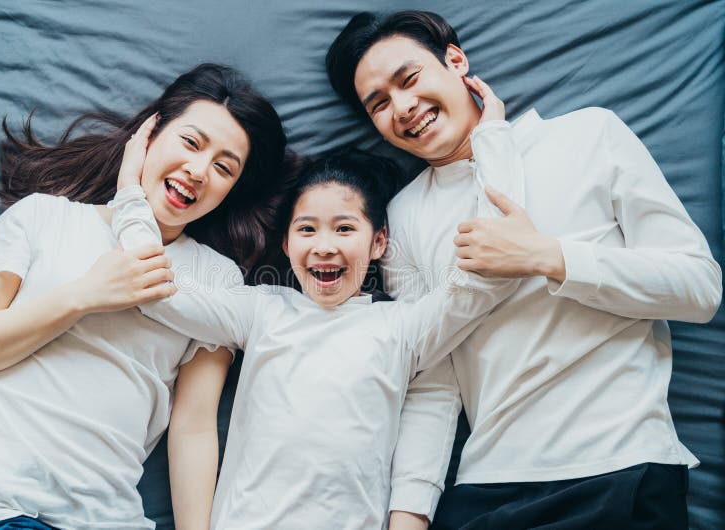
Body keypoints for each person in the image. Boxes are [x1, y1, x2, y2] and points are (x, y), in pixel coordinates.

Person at [326, 10, 722, 530]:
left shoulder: (588, 135)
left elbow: (698, 288)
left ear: (455, 61)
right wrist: (411, 512)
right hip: (485, 486)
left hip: (620, 464)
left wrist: (548, 258)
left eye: (410, 78)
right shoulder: (402, 216)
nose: (402, 107)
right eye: (378, 103)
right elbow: (433, 378)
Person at [106, 85, 522, 529]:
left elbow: (488, 271)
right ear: (286, 245)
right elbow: (155, 288)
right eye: (307, 230)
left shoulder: (405, 327)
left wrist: (490, 136)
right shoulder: (262, 311)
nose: (324, 247)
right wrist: (131, 193)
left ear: (379, 242)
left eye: (345, 229)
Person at [0, 63, 287, 530]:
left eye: (223, 167)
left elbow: (193, 426)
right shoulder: (44, 218)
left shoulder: (216, 279)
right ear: (149, 134)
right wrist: (83, 296)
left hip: (103, 517)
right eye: (191, 143)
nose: (198, 171)